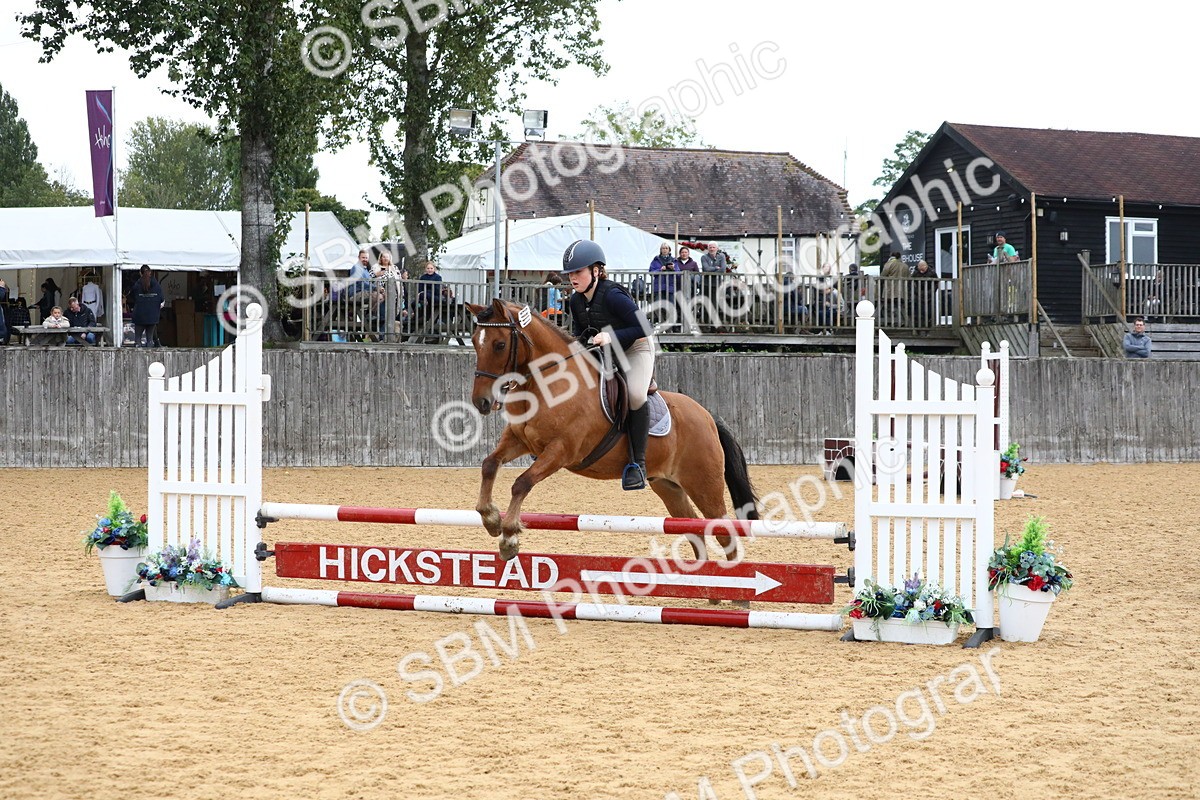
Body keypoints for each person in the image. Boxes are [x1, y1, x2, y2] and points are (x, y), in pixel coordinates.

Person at [562, 239, 654, 490]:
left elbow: (644, 328)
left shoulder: (613, 295)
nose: (573, 277)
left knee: (635, 395)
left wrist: (610, 336)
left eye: (578, 271)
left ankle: (639, 464)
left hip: (635, 348)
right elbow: (581, 335)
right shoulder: (576, 301)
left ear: (596, 270)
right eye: (570, 273)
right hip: (605, 352)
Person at [130, 264, 165, 347]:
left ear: (140, 273)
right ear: (150, 272)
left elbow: (132, 297)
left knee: (137, 340)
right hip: (152, 316)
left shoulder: (137, 285)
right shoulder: (156, 285)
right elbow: (162, 300)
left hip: (139, 315)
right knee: (150, 340)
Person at [648, 244, 679, 329]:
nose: (664, 250)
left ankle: (670, 327)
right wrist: (660, 270)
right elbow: (651, 272)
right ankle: (661, 325)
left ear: (669, 250)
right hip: (659, 287)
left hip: (670, 287)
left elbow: (679, 273)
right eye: (663, 248)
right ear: (660, 250)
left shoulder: (674, 260)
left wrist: (673, 269)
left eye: (666, 248)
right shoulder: (655, 260)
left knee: (671, 307)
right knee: (658, 307)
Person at [674, 245, 702, 335]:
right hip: (678, 288)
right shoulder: (675, 262)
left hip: (691, 289)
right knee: (678, 307)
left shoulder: (693, 263)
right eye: (682, 252)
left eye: (685, 252)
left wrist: (696, 282)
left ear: (688, 254)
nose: (684, 254)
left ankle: (689, 326)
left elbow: (698, 275)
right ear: (680, 254)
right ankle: (678, 327)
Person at [880, 251, 909, 325]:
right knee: (901, 307)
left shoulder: (889, 264)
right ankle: (905, 323)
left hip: (890, 290)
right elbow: (909, 277)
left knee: (887, 306)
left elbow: (883, 275)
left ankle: (889, 323)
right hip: (902, 291)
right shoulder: (905, 266)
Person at [911, 259, 939, 327]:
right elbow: (911, 282)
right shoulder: (915, 272)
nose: (921, 271)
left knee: (930, 312)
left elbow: (936, 283)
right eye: (919, 269)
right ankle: (919, 326)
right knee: (918, 312)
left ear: (926, 267)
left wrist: (931, 292)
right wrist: (916, 292)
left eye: (922, 270)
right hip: (919, 294)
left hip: (929, 294)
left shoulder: (932, 272)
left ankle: (929, 325)